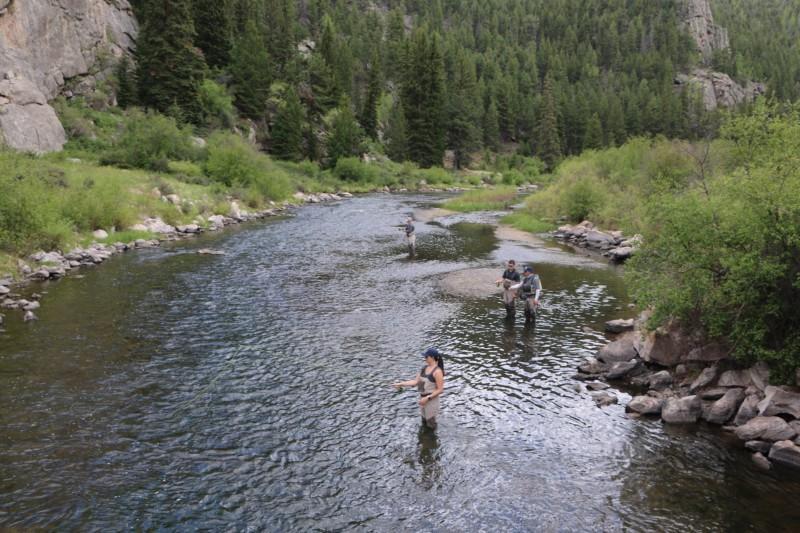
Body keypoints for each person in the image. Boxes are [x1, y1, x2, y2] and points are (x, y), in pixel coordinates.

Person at [393, 347, 445, 429]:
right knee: (424, 422)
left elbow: (440, 390)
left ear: (432, 357)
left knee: (431, 425)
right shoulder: (424, 368)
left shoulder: (438, 372)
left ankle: (431, 440)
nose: (425, 358)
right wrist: (401, 384)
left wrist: (427, 398)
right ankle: (424, 440)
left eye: (426, 357)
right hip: (422, 399)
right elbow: (415, 382)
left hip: (431, 401)